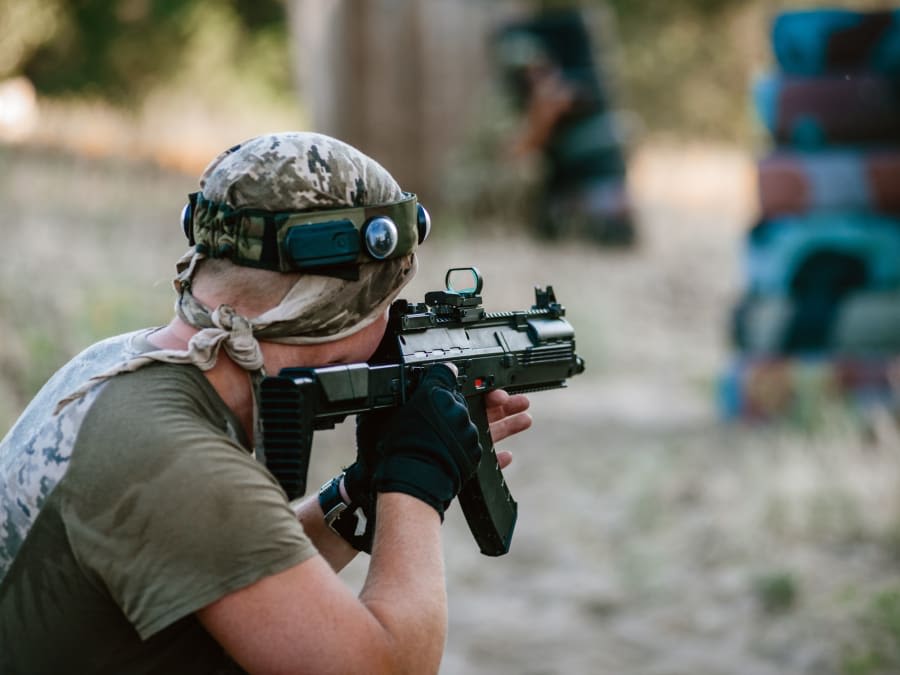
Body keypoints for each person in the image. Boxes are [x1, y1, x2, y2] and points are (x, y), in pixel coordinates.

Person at [0, 131, 532, 674]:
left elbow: (239, 564)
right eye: (386, 306)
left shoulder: (116, 367)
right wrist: (417, 479)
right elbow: (386, 668)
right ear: (335, 310)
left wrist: (360, 491)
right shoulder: (177, 461)